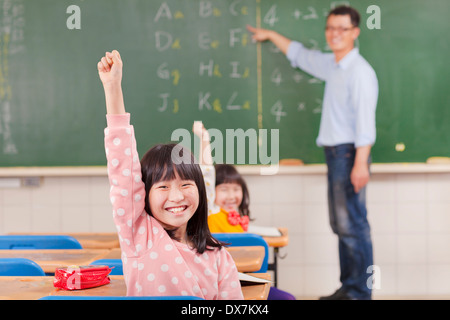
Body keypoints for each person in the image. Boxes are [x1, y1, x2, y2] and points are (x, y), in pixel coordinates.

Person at [247, 5, 378, 300]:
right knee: (341, 225)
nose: (335, 34)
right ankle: (348, 288)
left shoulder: (359, 72)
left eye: (342, 29)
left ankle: (359, 293)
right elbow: (301, 55)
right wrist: (270, 34)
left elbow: (365, 123)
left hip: (350, 154)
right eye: (330, 28)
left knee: (353, 225)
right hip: (337, 155)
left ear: (355, 32)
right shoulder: (333, 65)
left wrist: (360, 164)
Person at [97, 50, 243, 299]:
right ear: (143, 194)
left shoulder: (219, 257)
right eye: (163, 187)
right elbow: (123, 171)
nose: (176, 196)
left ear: (201, 188)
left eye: (186, 184)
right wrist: (112, 88)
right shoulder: (139, 236)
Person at [193, 121, 295, 300]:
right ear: (211, 192)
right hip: (218, 282)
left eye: (236, 189)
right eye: (224, 189)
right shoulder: (210, 213)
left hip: (245, 279)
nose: (231, 195)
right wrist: (204, 140)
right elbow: (206, 174)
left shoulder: (237, 218)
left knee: (287, 299)